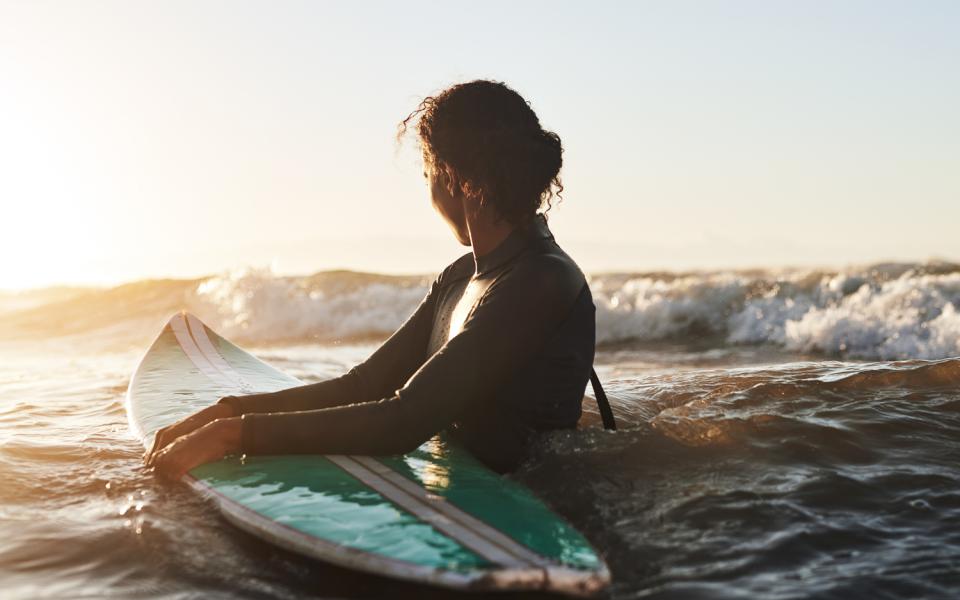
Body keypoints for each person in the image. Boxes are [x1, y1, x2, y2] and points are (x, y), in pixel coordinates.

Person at [147, 79, 612, 479]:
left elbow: (403, 422)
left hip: (542, 503)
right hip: (471, 481)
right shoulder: (460, 277)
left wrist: (234, 436)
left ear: (449, 176)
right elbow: (365, 385)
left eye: (427, 173)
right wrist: (230, 410)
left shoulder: (542, 280)